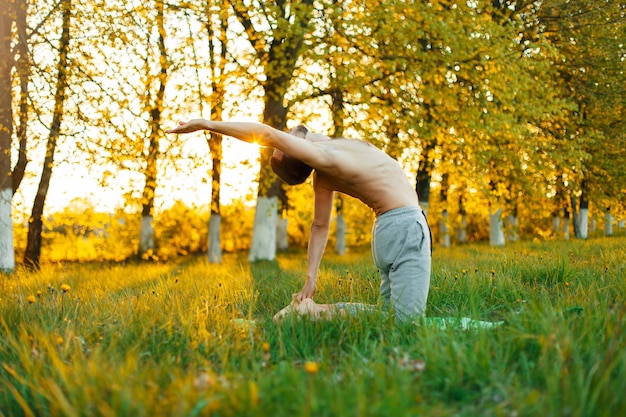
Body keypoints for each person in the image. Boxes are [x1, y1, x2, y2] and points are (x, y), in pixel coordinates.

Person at [166, 119, 432, 321]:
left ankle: (309, 310)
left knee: (386, 316)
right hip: (404, 226)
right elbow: (267, 135)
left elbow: (320, 226)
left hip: (389, 228)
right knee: (407, 322)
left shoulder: (326, 161)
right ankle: (309, 313)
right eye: (285, 144)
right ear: (297, 151)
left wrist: (311, 277)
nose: (286, 134)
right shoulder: (324, 157)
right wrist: (206, 124)